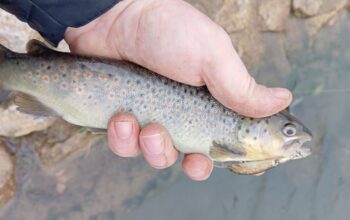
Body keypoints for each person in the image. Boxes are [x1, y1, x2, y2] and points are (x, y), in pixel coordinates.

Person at [0, 0, 291, 181]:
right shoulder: (229, 149)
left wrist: (113, 8)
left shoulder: (233, 151)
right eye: (288, 132)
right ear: (256, 120)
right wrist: (121, 10)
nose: (294, 140)